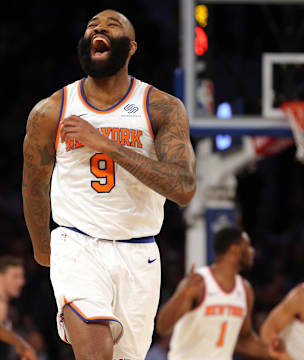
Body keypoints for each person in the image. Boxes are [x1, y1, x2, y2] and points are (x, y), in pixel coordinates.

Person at [22, 8, 196, 360]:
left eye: (110, 25)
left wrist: (109, 146)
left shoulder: (161, 107)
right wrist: (44, 250)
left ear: (131, 47)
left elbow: (184, 188)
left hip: (139, 253)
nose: (98, 28)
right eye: (91, 26)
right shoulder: (51, 110)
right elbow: (34, 183)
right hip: (78, 244)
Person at [156, 226, 289, 360]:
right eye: (248, 246)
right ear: (234, 249)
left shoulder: (245, 289)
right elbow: (162, 326)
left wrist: (268, 350)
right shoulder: (199, 282)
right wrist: (182, 296)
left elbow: (243, 339)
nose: (252, 251)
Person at [0, 256, 37, 360]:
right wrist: (22, 344)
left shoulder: (9, 306)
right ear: (1, 276)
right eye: (15, 276)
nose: (21, 282)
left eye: (22, 276)